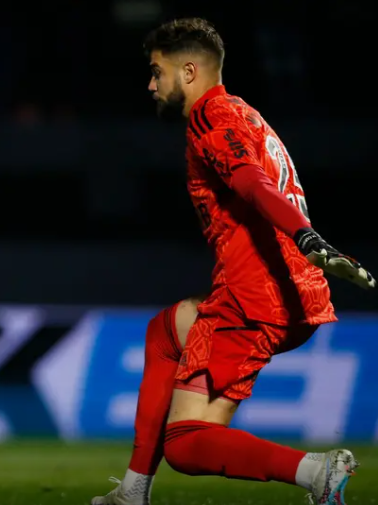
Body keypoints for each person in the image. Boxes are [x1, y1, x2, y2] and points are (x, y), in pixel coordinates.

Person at [93, 18, 374, 505]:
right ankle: (133, 492)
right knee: (166, 332)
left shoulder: (209, 118)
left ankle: (317, 472)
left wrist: (308, 238)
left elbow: (250, 182)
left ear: (187, 71)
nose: (151, 84)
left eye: (157, 72)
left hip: (256, 296)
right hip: (289, 289)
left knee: (186, 444)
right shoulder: (244, 113)